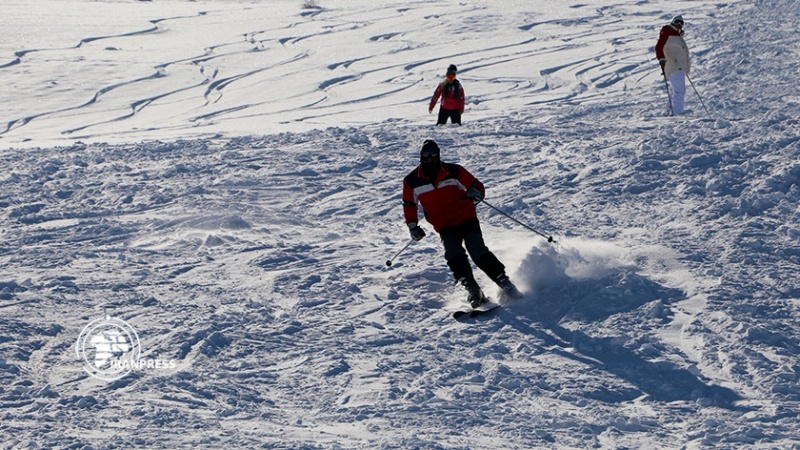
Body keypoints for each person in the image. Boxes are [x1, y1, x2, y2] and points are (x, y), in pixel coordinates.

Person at [402, 139, 522, 308]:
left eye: (433, 156)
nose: (430, 160)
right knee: (453, 254)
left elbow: (476, 185)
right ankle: (473, 289)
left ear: (438, 156)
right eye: (427, 156)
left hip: (465, 217)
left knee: (477, 249)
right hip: (444, 225)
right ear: (421, 157)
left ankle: (504, 282)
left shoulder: (454, 171)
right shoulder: (412, 181)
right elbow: (409, 204)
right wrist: (413, 226)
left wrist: (476, 192)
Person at [655, 15, 691, 115]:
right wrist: (661, 58)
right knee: (679, 91)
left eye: (681, 23)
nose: (679, 24)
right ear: (673, 22)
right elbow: (659, 47)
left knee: (675, 90)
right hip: (674, 65)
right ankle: (677, 113)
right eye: (677, 22)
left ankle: (670, 110)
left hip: (678, 66)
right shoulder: (667, 33)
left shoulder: (675, 34)